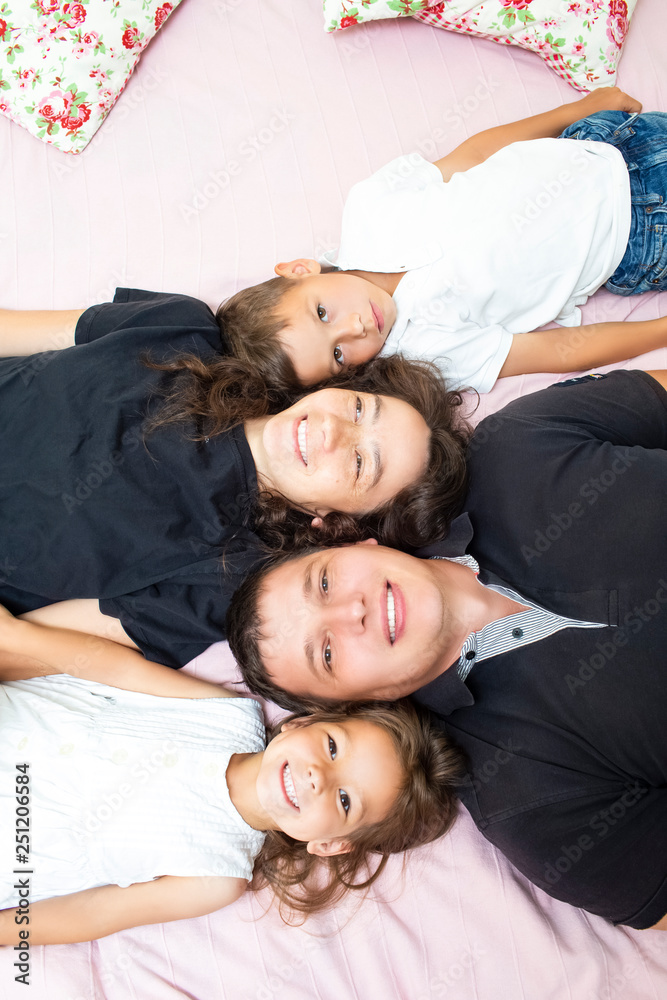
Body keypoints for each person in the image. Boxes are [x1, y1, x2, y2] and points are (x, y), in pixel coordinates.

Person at [226, 368, 667, 931]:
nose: (351, 612)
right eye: (328, 654)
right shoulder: (528, 804)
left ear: (354, 542)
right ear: (363, 701)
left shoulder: (516, 444)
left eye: (326, 584)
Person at [0, 288, 467, 667]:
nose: (333, 430)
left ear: (337, 520)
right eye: (360, 408)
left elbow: (23, 644)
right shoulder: (186, 328)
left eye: (361, 463)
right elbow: (26, 331)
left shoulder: (227, 578)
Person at [0, 608, 462, 945]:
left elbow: (96, 911)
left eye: (345, 801)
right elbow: (114, 667)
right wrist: (17, 635)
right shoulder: (224, 715)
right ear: (301, 723)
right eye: (332, 747)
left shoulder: (218, 877)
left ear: (329, 844)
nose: (318, 777)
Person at [218, 88, 667, 393]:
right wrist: (659, 330)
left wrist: (580, 108)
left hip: (607, 140)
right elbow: (557, 351)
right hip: (643, 236)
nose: (355, 328)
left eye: (322, 312)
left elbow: (474, 155)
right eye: (338, 355)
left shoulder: (370, 206)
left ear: (300, 271)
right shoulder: (428, 354)